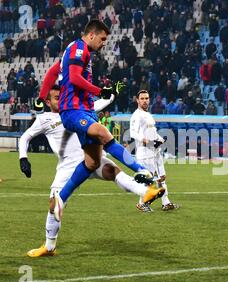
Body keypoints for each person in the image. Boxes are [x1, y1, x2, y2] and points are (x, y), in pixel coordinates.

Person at [22, 86, 164, 257]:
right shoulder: (44, 119)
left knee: (113, 171)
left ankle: (146, 192)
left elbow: (99, 103)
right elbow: (26, 137)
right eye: (56, 98)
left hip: (90, 155)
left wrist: (112, 94)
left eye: (62, 97)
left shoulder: (76, 111)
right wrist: (23, 158)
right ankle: (49, 246)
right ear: (47, 101)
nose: (60, 100)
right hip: (67, 167)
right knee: (54, 205)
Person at [34, 20, 151, 222]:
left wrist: (41, 96)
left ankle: (60, 200)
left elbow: (54, 72)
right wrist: (100, 91)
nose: (104, 43)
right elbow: (75, 78)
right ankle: (142, 171)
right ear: (91, 35)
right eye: (102, 39)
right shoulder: (79, 49)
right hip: (73, 110)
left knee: (92, 161)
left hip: (85, 110)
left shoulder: (73, 51)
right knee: (104, 133)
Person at [130, 90, 179, 212]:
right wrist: (146, 141)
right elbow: (133, 133)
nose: (145, 100)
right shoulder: (137, 115)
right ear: (137, 100)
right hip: (145, 153)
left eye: (146, 98)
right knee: (152, 180)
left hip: (155, 151)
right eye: (142, 98)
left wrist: (160, 139)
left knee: (162, 177)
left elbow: (153, 132)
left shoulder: (148, 115)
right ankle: (142, 203)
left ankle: (166, 203)